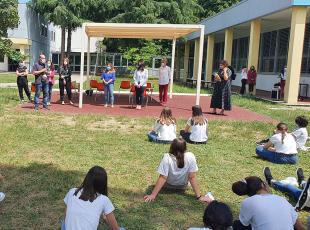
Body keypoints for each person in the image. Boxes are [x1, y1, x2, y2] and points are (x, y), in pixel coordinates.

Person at [144, 138, 211, 203]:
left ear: (171, 147)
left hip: (168, 185)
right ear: (185, 149)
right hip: (183, 186)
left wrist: (153, 195)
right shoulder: (191, 156)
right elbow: (192, 177)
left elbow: (163, 177)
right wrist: (199, 197)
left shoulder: (167, 157)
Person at [232, 176, 305, 230]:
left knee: (237, 224)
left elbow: (245, 223)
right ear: (263, 185)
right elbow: (298, 225)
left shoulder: (248, 202)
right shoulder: (282, 199)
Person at [63, 166, 122, 230]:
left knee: (64, 223)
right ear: (103, 184)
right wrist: (105, 219)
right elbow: (115, 228)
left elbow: (66, 217)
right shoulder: (104, 200)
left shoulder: (72, 191)